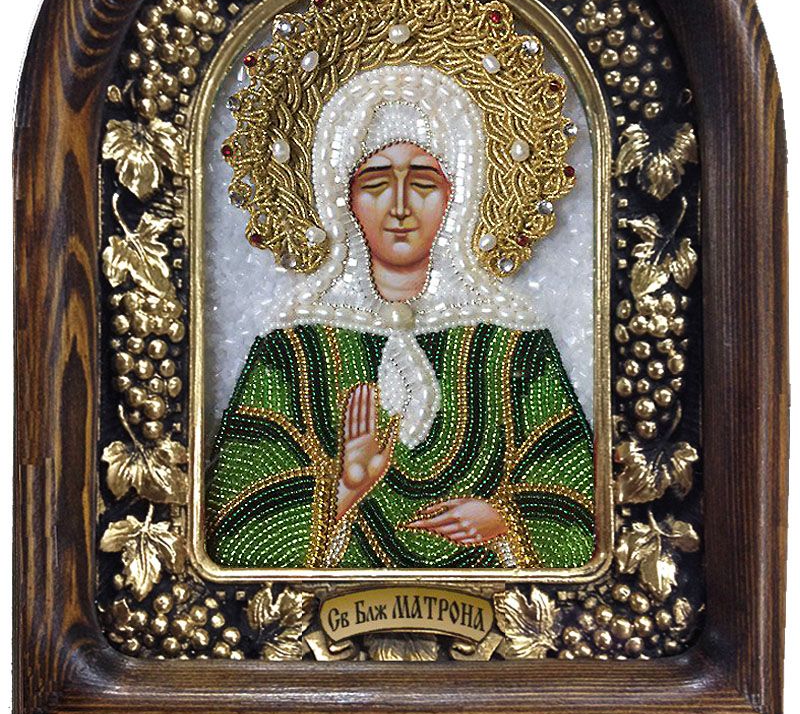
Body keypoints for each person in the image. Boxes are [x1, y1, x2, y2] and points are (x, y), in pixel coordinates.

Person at [205, 61, 595, 569]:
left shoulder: (513, 345)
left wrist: (503, 521)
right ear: (339, 196)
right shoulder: (293, 349)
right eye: (375, 182)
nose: (400, 207)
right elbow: (237, 537)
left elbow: (578, 512)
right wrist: (345, 488)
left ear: (460, 194)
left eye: (424, 182)